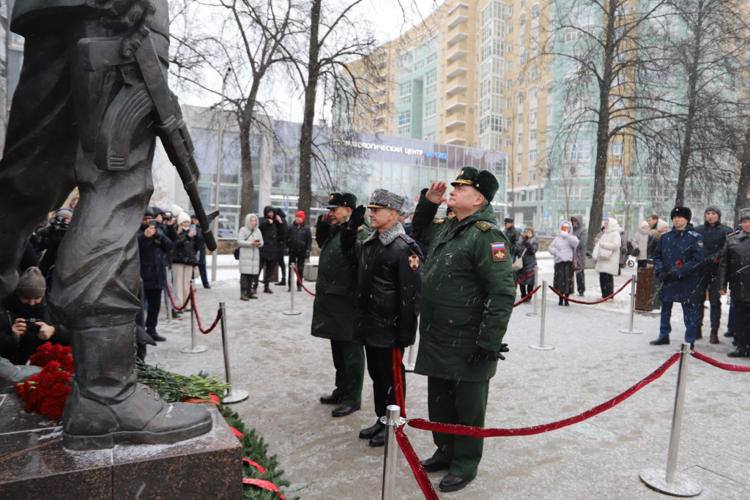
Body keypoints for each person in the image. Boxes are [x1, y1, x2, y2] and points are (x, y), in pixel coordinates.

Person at [0, 0, 211, 449]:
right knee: (117, 182)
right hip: (121, 15)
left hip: (52, 7)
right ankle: (106, 393)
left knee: (30, 175)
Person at [412, 167, 515, 493]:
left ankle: (465, 463)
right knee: (440, 403)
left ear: (479, 198)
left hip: (469, 341)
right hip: (437, 336)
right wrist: (428, 204)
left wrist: (488, 343)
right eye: (453, 186)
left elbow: (502, 293)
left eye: (461, 187)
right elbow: (419, 230)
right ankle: (445, 451)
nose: (453, 190)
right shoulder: (448, 228)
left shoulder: (487, 236)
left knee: (468, 408)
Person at [341, 189, 422, 447]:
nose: (371, 214)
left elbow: (411, 297)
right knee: (378, 376)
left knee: (392, 380)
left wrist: (405, 334)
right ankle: (382, 418)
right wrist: (350, 228)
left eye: (377, 210)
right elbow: (350, 254)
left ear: (393, 214)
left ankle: (395, 426)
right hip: (371, 326)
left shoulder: (403, 248)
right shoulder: (372, 242)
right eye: (371, 209)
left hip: (391, 329)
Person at [312, 193, 370, 418]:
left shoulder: (359, 232)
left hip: (348, 303)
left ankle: (352, 397)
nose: (330, 212)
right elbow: (321, 242)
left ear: (349, 210)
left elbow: (363, 266)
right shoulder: (337, 230)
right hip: (332, 303)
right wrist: (323, 223)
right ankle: (341, 389)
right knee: (338, 350)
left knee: (352, 353)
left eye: (335, 209)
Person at [650, 207, 705, 347]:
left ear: (687, 219)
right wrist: (660, 271)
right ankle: (663, 335)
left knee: (689, 311)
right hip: (667, 278)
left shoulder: (695, 237)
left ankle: (690, 340)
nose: (676, 219)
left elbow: (697, 259)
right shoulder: (665, 237)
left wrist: (679, 272)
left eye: (680, 217)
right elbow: (657, 256)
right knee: (665, 309)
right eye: (674, 216)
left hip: (686, 280)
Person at [0, 267, 70, 365]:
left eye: (37, 298)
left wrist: (53, 331)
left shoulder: (52, 308)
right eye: (26, 298)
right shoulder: (4, 312)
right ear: (18, 294)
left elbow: (73, 335)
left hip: (46, 363)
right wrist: (13, 338)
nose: (32, 303)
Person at [694, 205, 732, 343]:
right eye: (708, 213)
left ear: (718, 216)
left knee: (715, 302)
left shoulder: (726, 231)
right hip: (700, 270)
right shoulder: (698, 230)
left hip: (717, 271)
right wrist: (700, 260)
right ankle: (697, 327)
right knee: (698, 300)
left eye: (713, 213)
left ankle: (714, 331)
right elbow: (693, 248)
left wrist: (713, 259)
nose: (710, 216)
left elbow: (726, 249)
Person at [137, 209, 174, 342]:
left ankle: (151, 330)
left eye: (150, 219)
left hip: (158, 275)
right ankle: (139, 333)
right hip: (142, 276)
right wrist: (144, 237)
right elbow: (134, 248)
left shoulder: (158, 230)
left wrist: (160, 235)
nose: (147, 222)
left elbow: (170, 246)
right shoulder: (137, 232)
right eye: (145, 219)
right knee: (140, 308)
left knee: (154, 307)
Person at [718, 212, 750, 357]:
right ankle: (742, 347)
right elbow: (724, 265)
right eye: (744, 221)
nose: (747, 224)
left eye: (749, 221)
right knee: (740, 319)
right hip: (739, 286)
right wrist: (721, 285)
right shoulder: (733, 240)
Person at [171, 212, 199, 311]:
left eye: (188, 222)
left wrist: (195, 262)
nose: (186, 224)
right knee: (178, 284)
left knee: (187, 284)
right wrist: (188, 237)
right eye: (184, 222)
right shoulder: (176, 232)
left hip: (188, 261)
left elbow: (194, 248)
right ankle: (179, 305)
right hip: (178, 261)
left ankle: (187, 304)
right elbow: (177, 244)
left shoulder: (191, 233)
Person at [548, 221, 579, 306]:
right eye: (563, 228)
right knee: (560, 281)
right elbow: (551, 248)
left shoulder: (572, 237)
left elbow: (576, 243)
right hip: (559, 262)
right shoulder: (557, 239)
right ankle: (560, 298)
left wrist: (567, 236)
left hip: (568, 263)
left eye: (567, 228)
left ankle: (566, 298)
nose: (565, 230)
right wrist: (556, 252)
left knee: (567, 281)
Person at [259, 206, 287, 293]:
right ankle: (256, 284)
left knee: (272, 266)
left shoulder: (278, 222)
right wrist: (267, 222)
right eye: (269, 212)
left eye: (272, 212)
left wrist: (280, 222)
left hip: (275, 248)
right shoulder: (263, 220)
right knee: (260, 267)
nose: (271, 214)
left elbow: (284, 233)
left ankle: (267, 284)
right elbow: (259, 227)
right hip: (264, 248)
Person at [595, 217, 623, 298]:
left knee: (608, 278)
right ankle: (604, 295)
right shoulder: (605, 234)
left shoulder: (615, 234)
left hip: (610, 259)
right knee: (602, 277)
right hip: (603, 258)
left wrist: (603, 244)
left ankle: (609, 295)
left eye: (607, 223)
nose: (605, 224)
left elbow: (616, 245)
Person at [237, 214, 264, 300]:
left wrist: (259, 243)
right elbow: (240, 241)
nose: (253, 222)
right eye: (251, 220)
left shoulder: (258, 231)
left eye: (254, 220)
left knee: (252, 276)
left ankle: (249, 292)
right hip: (245, 256)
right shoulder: (243, 230)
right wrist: (250, 243)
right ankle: (243, 293)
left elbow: (262, 242)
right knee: (245, 276)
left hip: (254, 257)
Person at [285, 211, 312, 292]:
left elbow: (309, 240)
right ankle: (290, 285)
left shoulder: (306, 228)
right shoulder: (291, 227)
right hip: (292, 250)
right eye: (297, 217)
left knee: (300, 269)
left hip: (302, 251)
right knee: (291, 269)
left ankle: (299, 284)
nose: (297, 218)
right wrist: (285, 247)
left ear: (303, 218)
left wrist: (308, 250)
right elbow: (286, 238)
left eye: (299, 217)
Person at [514, 227, 538, 299]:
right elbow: (515, 251)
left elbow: (533, 250)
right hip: (521, 264)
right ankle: (523, 295)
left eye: (529, 232)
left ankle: (529, 296)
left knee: (530, 282)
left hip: (530, 264)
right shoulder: (520, 241)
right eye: (526, 232)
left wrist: (527, 242)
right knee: (521, 281)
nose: (527, 234)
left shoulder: (534, 241)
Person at [191, 214, 210, 289]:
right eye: (192, 220)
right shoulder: (191, 228)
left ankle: (205, 283)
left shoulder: (201, 228)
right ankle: (192, 284)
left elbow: (203, 238)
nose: (193, 222)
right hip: (192, 250)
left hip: (200, 250)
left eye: (195, 220)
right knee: (191, 268)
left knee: (202, 267)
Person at [570, 215, 588, 296]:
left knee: (579, 272)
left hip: (579, 254)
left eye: (575, 221)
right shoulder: (571, 230)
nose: (574, 223)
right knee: (570, 272)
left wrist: (574, 242)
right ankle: (570, 288)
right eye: (573, 221)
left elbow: (582, 243)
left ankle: (581, 289)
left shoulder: (583, 231)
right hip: (572, 253)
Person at [274, 207, 289, 287]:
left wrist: (280, 222)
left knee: (280, 262)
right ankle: (281, 278)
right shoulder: (276, 221)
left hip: (280, 245)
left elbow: (285, 232)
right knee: (279, 262)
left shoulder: (282, 221)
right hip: (278, 244)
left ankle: (283, 279)